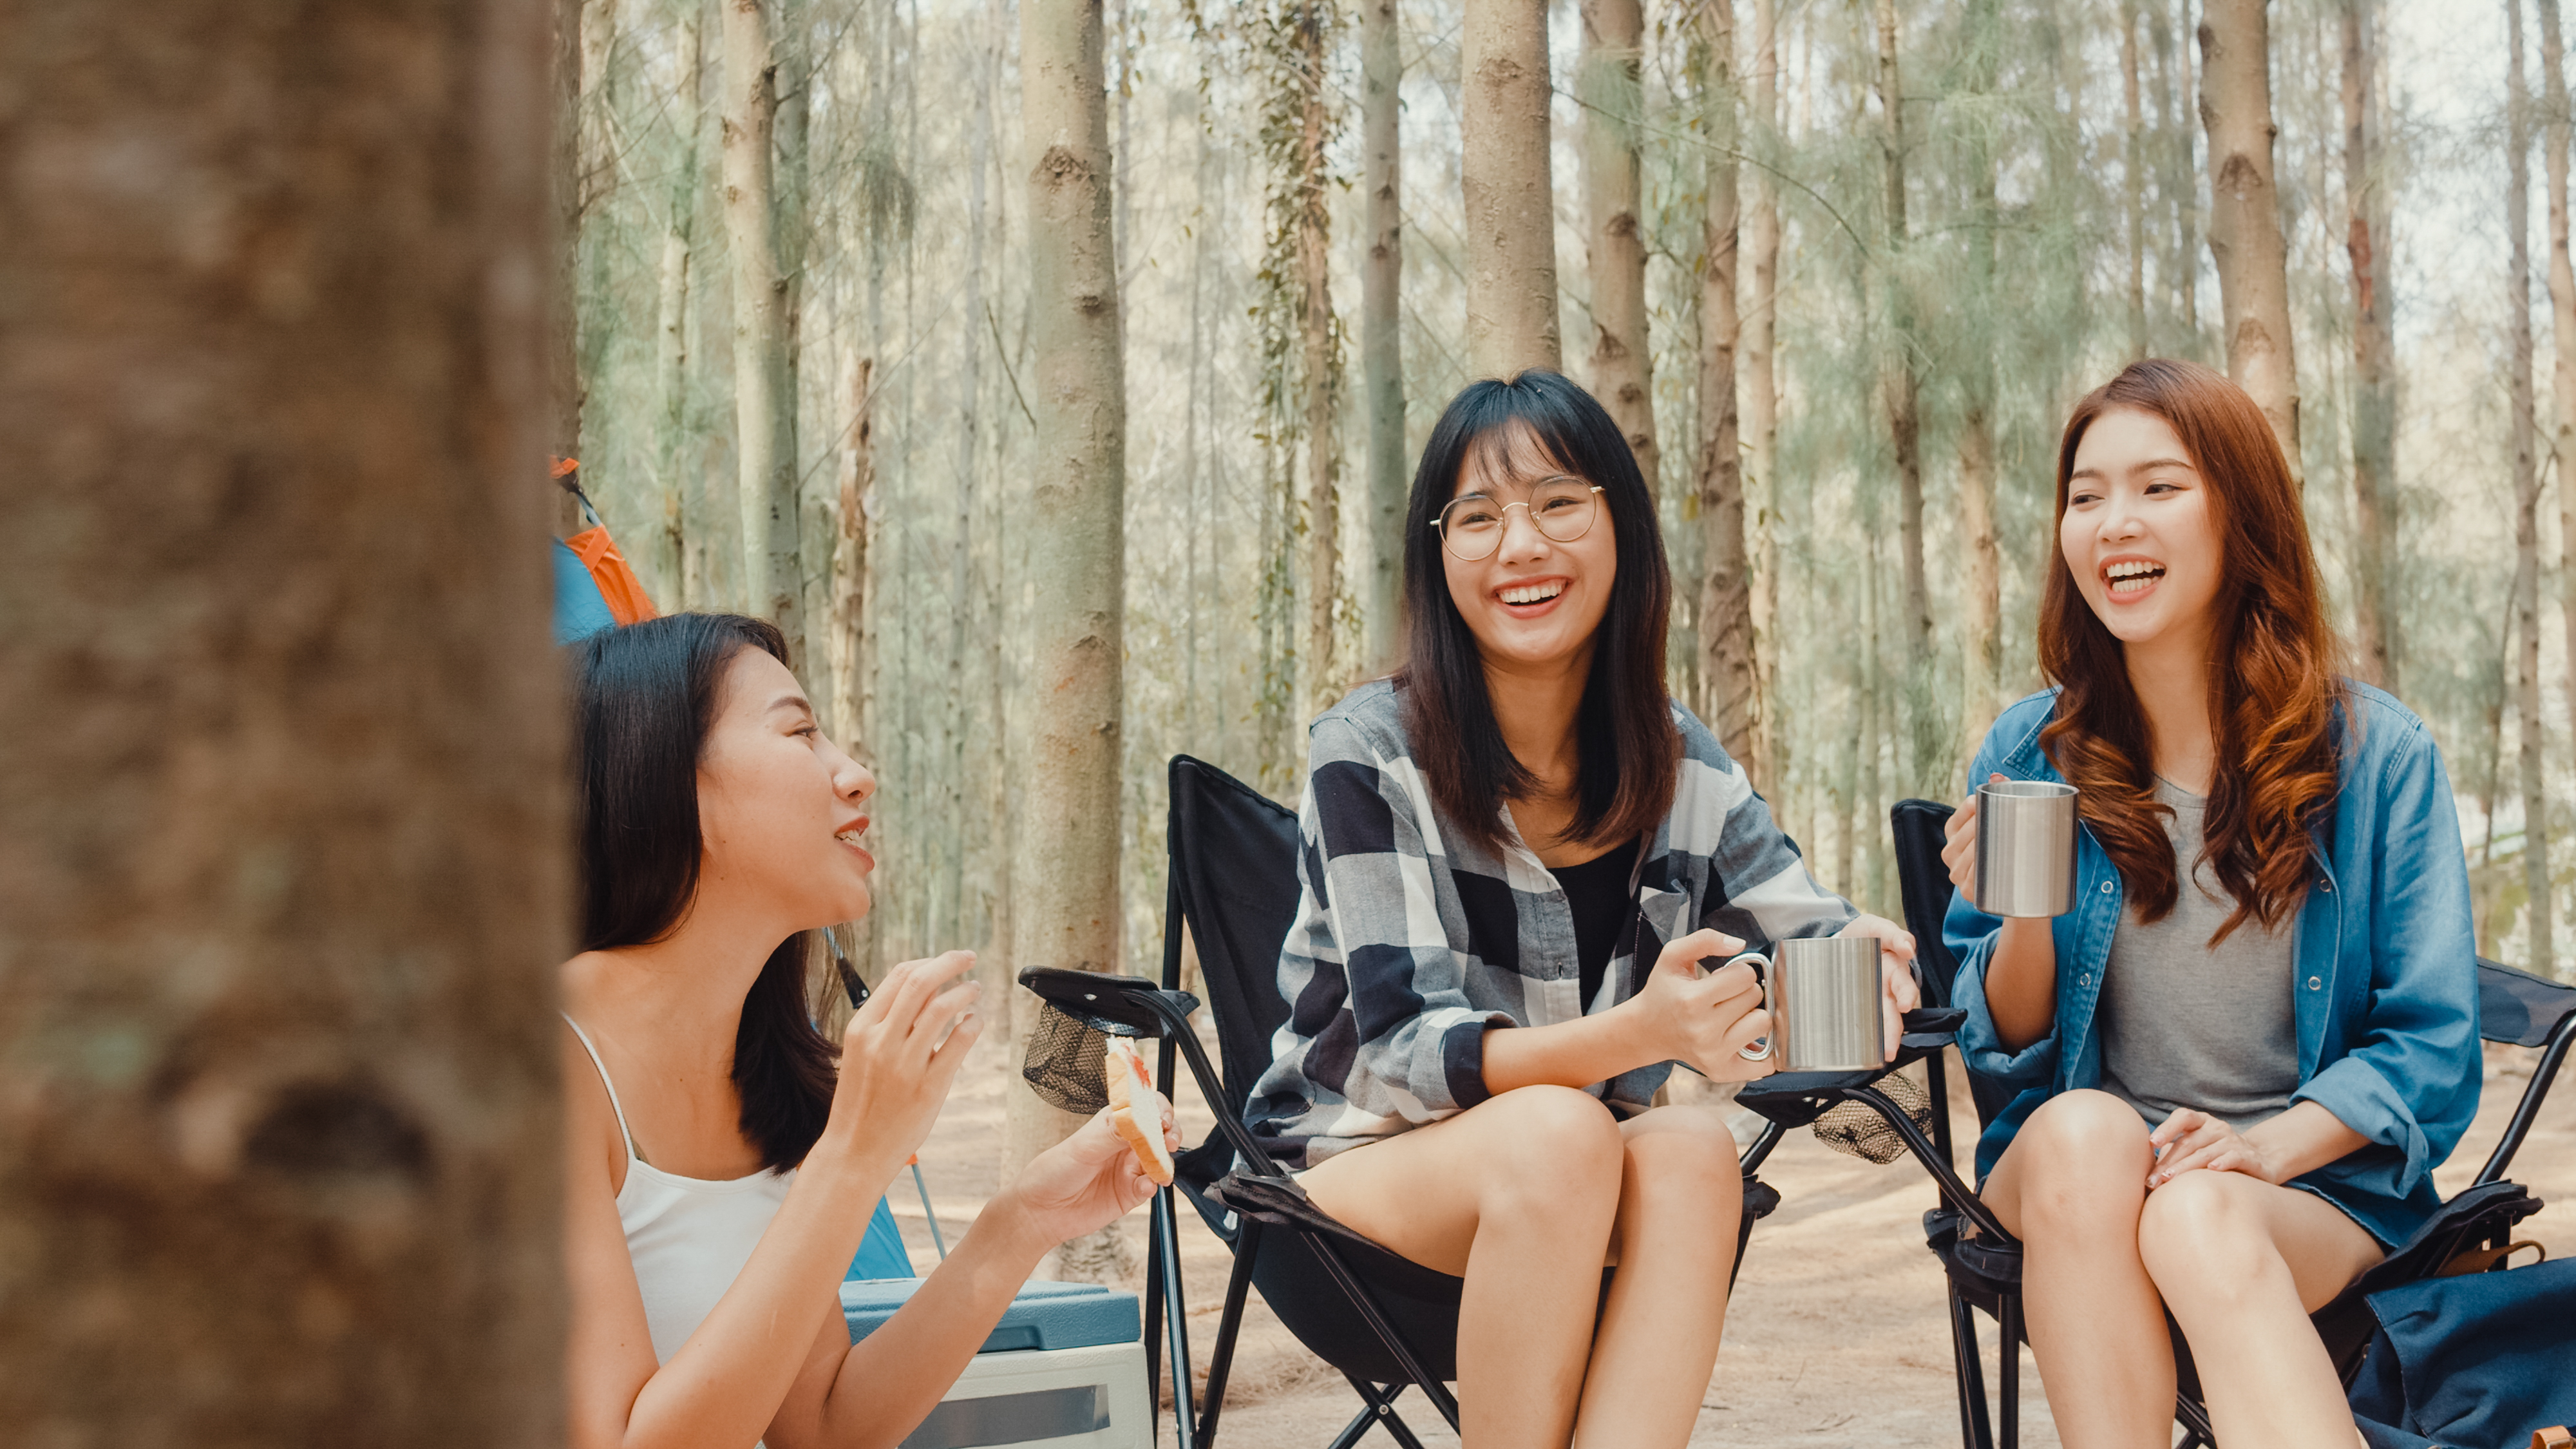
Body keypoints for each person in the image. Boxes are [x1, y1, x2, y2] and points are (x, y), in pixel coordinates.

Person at [1245, 370, 1919, 1449]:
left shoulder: (1679, 756)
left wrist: (1868, 954)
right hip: (1353, 1182)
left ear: (1620, 527)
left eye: (1558, 501)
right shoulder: (1369, 750)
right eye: (1479, 516)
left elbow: (1806, 923)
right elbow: (1413, 1051)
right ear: (1441, 558)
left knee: (1695, 1152)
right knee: (1564, 1130)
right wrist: (1642, 1033)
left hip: (1577, 1177)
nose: (1522, 544)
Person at [1938, 359, 2480, 1449]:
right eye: (2085, 496)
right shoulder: (2028, 751)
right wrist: (2025, 906)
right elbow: (2007, 1053)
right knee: (2090, 1132)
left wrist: (2264, 1148)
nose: (2112, 524)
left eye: (2158, 487)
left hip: (2298, 1183)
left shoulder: (2378, 758)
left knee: (2192, 1210)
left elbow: (2430, 1049)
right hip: (2070, 1166)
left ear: (2242, 510)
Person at [560, 612, 1176, 1449]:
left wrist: (1023, 1220)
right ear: (668, 781)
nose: (856, 775)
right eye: (801, 731)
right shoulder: (536, 1066)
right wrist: (850, 1158)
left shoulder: (756, 1072)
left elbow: (819, 1426)